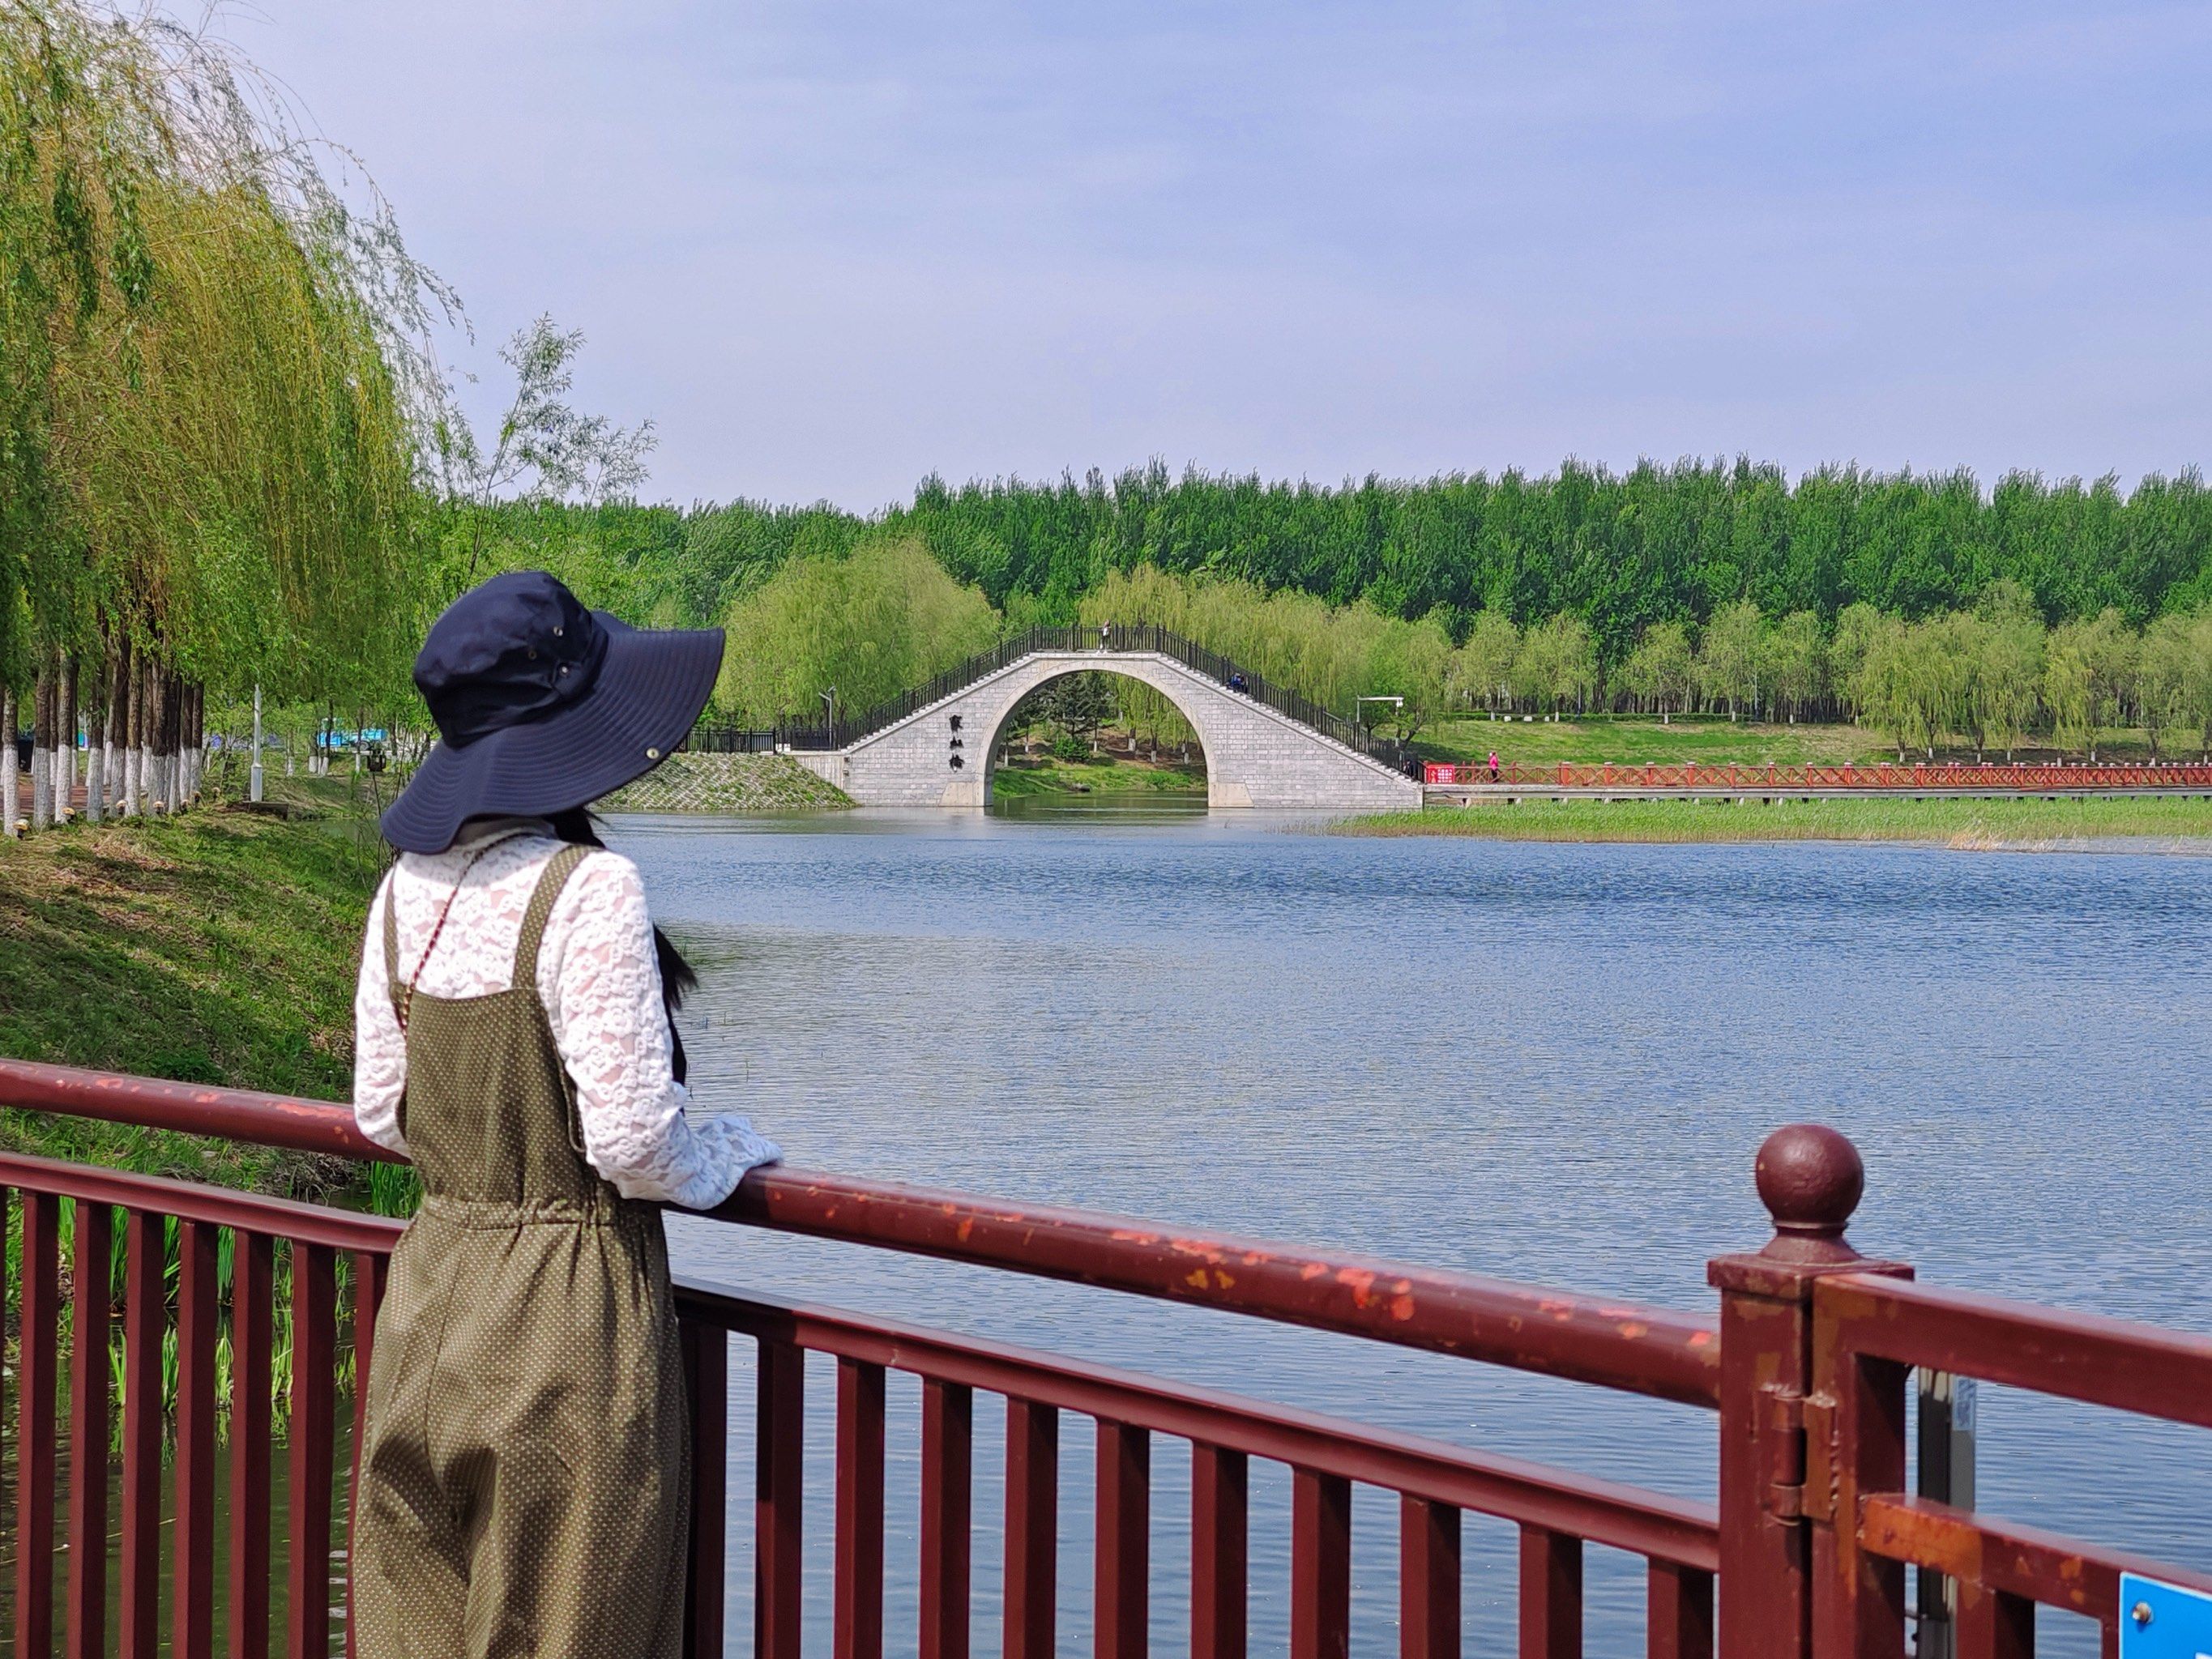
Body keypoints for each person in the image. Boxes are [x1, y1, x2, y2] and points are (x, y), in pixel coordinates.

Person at [350, 570, 781, 1658]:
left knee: (416, 1631)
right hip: (566, 1326)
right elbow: (634, 1143)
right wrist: (723, 1151)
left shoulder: (406, 887)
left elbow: (378, 1115)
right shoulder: (589, 889)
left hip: (428, 1298)